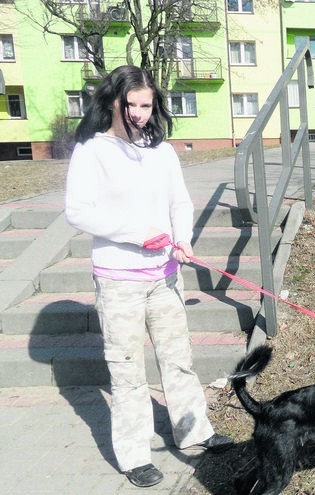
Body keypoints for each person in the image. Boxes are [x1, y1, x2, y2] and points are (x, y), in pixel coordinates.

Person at [64, 65, 234, 488]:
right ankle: (134, 454)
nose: (139, 112)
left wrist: (183, 239)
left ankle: (195, 430)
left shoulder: (162, 150)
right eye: (132, 104)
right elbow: (78, 211)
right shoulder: (92, 150)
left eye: (147, 104)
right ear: (113, 101)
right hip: (119, 279)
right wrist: (140, 236)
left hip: (166, 275)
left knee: (178, 359)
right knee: (127, 372)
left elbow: (179, 201)